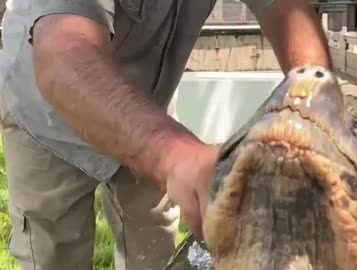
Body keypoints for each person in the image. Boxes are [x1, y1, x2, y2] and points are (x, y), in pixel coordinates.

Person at [0, 0, 333, 269]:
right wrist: (175, 156)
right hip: (48, 111)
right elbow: (63, 50)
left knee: (153, 249)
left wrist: (320, 118)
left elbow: (287, 11)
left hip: (147, 103)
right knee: (55, 255)